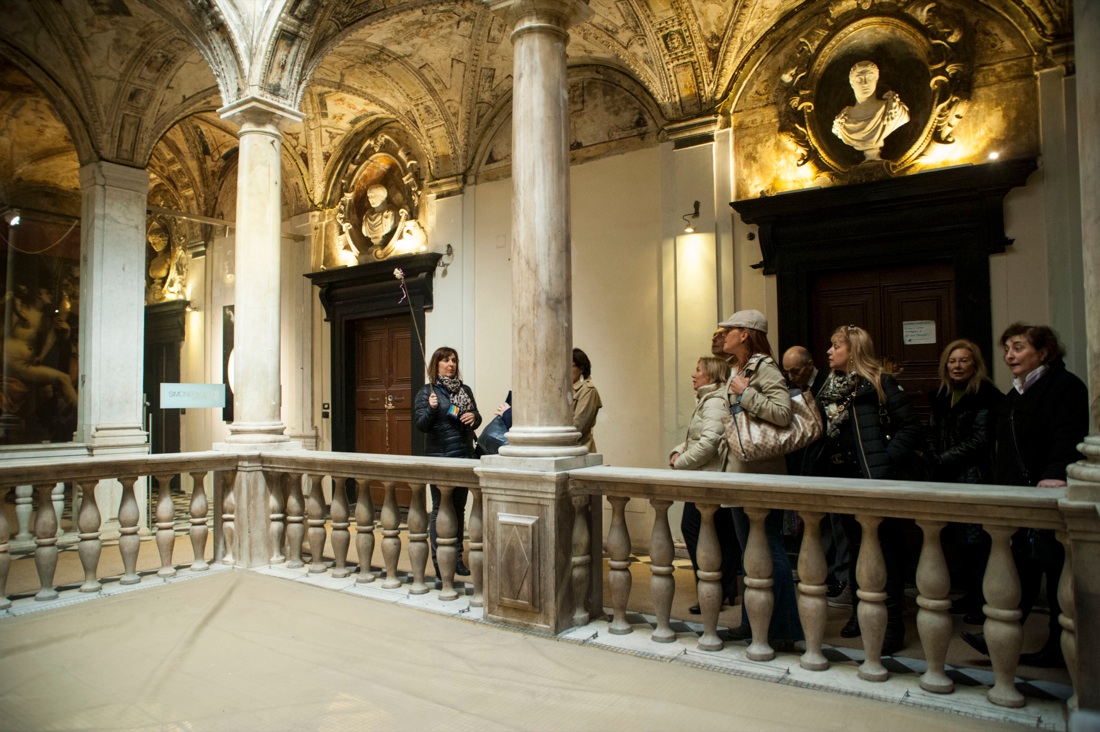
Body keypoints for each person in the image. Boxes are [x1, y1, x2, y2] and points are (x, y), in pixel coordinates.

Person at [962, 324, 1087, 667]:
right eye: (1007, 349)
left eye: (1018, 347)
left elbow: (1068, 436)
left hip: (1049, 494)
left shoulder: (1065, 387)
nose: (1009, 356)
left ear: (1043, 352)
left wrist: (1053, 475)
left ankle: (1059, 648)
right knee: (1022, 567)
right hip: (1017, 494)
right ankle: (1000, 636)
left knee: (1055, 568)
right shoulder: (1016, 393)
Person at [805, 325, 923, 655]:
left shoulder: (880, 383)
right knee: (855, 549)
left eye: (836, 346)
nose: (829, 351)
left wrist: (884, 458)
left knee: (886, 553)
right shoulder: (828, 388)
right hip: (841, 480)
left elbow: (911, 428)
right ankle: (860, 613)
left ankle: (894, 624)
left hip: (873, 478)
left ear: (853, 350)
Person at [719, 309, 802, 648]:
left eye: (730, 329)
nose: (723, 334)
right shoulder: (738, 369)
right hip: (741, 470)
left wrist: (745, 392)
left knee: (770, 550)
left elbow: (783, 414)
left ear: (746, 334)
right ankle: (753, 622)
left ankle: (783, 629)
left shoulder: (764, 367)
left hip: (760, 473)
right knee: (749, 552)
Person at [926, 339, 1002, 625]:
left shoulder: (987, 396)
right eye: (952, 361)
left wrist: (943, 458)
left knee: (977, 542)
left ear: (975, 364)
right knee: (957, 541)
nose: (957, 366)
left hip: (974, 477)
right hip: (945, 478)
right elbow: (931, 432)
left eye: (964, 360)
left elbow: (980, 440)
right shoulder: (940, 395)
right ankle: (970, 596)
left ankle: (983, 601)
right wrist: (935, 455)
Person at [669, 355, 740, 614]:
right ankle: (725, 589)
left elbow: (710, 442)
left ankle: (711, 589)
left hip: (708, 479)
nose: (693, 374)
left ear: (710, 375)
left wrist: (681, 463)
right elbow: (696, 437)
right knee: (720, 533)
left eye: (698, 370)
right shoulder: (708, 399)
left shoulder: (714, 402)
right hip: (707, 477)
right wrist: (678, 451)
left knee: (694, 529)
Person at [783, 345, 849, 608]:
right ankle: (826, 574)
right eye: (786, 372)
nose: (790, 376)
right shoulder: (792, 390)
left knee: (838, 526)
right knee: (817, 526)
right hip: (806, 464)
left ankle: (842, 579)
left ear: (810, 365)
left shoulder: (828, 384)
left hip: (832, 465)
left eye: (795, 370)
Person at [414, 346, 482, 577]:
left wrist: (475, 417)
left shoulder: (465, 390)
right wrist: (432, 409)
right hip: (441, 458)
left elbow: (475, 417)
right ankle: (439, 561)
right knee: (440, 510)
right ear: (436, 364)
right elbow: (421, 424)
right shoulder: (427, 392)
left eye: (454, 360)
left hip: (464, 456)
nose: (451, 364)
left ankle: (457, 560)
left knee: (459, 509)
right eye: (445, 360)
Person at [832, 60, 909, 161]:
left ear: (876, 80)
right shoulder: (843, 121)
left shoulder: (893, 110)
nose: (865, 83)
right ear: (852, 83)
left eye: (870, 77)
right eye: (859, 79)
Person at [571, 348, 601, 452]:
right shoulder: (566, 390)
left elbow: (578, 426)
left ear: (581, 368)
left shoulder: (588, 390)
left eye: (571, 366)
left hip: (581, 450)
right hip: (568, 449)